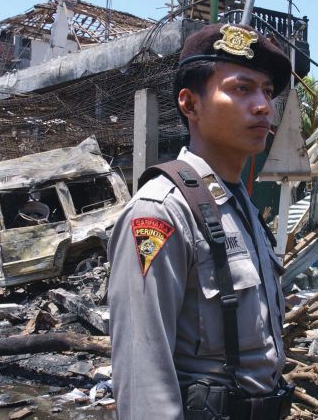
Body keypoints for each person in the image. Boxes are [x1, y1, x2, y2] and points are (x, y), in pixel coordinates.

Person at [108, 23, 293, 419]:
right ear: (190, 105)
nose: (263, 105)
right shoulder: (161, 211)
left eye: (267, 91)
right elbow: (143, 375)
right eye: (242, 88)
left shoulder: (240, 208)